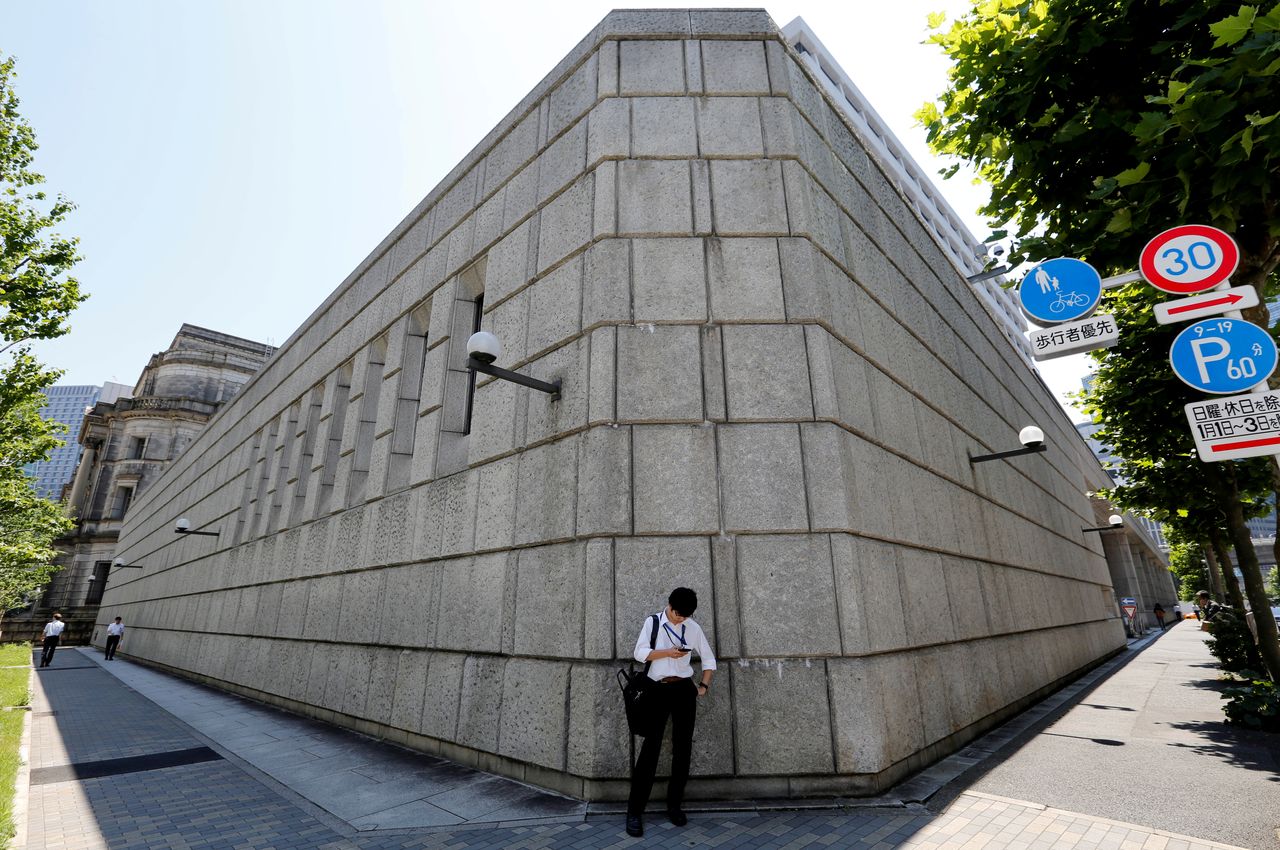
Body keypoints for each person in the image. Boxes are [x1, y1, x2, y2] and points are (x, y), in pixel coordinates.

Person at [625, 587, 716, 838]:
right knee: (650, 749)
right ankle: (634, 811)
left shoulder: (693, 627)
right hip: (657, 689)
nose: (680, 619)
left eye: (685, 617)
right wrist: (668, 652)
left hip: (684, 690)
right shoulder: (653, 622)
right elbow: (639, 653)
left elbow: (708, 659)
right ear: (670, 605)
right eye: (677, 615)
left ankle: (674, 806)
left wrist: (703, 686)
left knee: (683, 748)